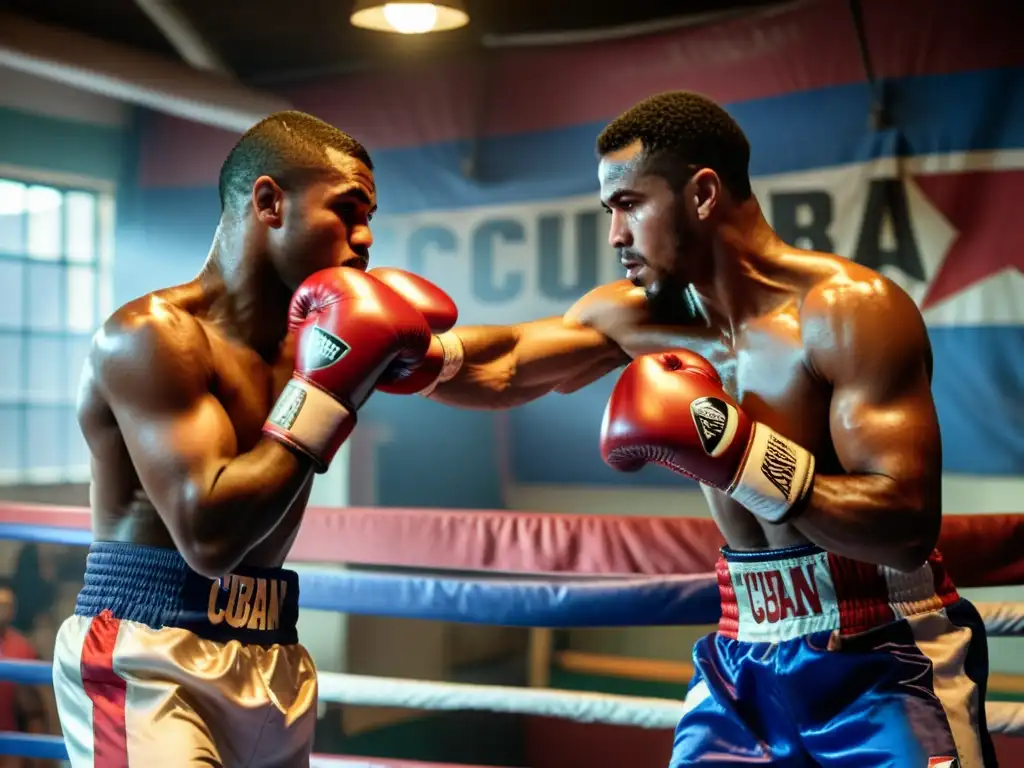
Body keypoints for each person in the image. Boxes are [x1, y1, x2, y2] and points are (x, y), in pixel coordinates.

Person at [405, 92, 997, 767]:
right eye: (609, 212)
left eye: (629, 205)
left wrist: (741, 454)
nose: (615, 236)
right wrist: (405, 357)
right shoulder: (639, 317)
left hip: (883, 652)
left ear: (704, 193)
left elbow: (906, 525)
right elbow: (508, 362)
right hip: (742, 653)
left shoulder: (848, 313)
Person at [52, 111, 458, 767]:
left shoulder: (318, 340)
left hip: (272, 649)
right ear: (269, 201)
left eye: (371, 216)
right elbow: (209, 534)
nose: (365, 238)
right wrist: (326, 391)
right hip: (149, 647)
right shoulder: (154, 336)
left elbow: (503, 356)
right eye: (348, 211)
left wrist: (618, 332)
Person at [0, 579, 49, 768]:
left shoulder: (22, 648)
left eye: (5, 605)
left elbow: (35, 710)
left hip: (12, 744)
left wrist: (35, 757)